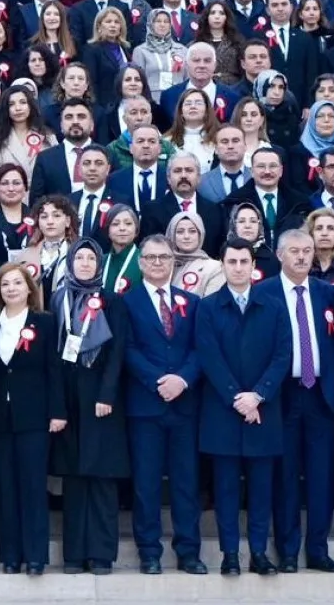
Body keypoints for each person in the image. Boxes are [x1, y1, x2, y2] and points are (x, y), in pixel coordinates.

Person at [195, 238, 292, 576]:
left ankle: (259, 554)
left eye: (243, 262)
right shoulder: (207, 307)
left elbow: (283, 356)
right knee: (225, 489)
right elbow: (209, 357)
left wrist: (258, 395)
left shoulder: (274, 307)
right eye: (232, 261)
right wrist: (238, 397)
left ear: (254, 266)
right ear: (222, 265)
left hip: (263, 411)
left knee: (262, 489)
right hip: (224, 411)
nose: (238, 268)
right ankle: (230, 554)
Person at [256, 228, 334, 573]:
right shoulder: (263, 293)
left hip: (320, 395)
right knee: (285, 477)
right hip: (282, 395)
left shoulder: (327, 293)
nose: (302, 256)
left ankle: (318, 550)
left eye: (307, 251)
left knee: (321, 477)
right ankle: (288, 550)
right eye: (294, 251)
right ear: (279, 255)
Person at [120, 235, 206, 574]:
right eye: (151, 258)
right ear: (141, 263)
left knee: (186, 483)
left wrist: (181, 380)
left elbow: (201, 348)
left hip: (184, 406)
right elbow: (127, 350)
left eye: (164, 257)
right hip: (146, 406)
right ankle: (149, 551)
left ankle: (188, 552)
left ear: (174, 262)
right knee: (147, 483)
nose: (158, 263)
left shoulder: (191, 302)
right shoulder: (127, 302)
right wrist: (159, 381)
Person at [50, 238, 130, 574]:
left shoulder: (111, 301)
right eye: (78, 257)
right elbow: (50, 356)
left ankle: (100, 554)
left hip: (101, 398)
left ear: (99, 263)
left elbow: (118, 352)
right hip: (68, 395)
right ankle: (74, 554)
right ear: (70, 262)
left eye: (90, 258)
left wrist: (107, 395)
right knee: (75, 477)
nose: (84, 263)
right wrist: (56, 404)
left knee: (101, 477)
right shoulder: (56, 299)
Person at [0, 263, 64, 575]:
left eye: (17, 283)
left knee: (32, 487)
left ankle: (35, 556)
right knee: (5, 487)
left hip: (34, 418)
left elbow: (53, 370)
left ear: (30, 288)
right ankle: (11, 556)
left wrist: (58, 412)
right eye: (5, 285)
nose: (11, 289)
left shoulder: (44, 322)